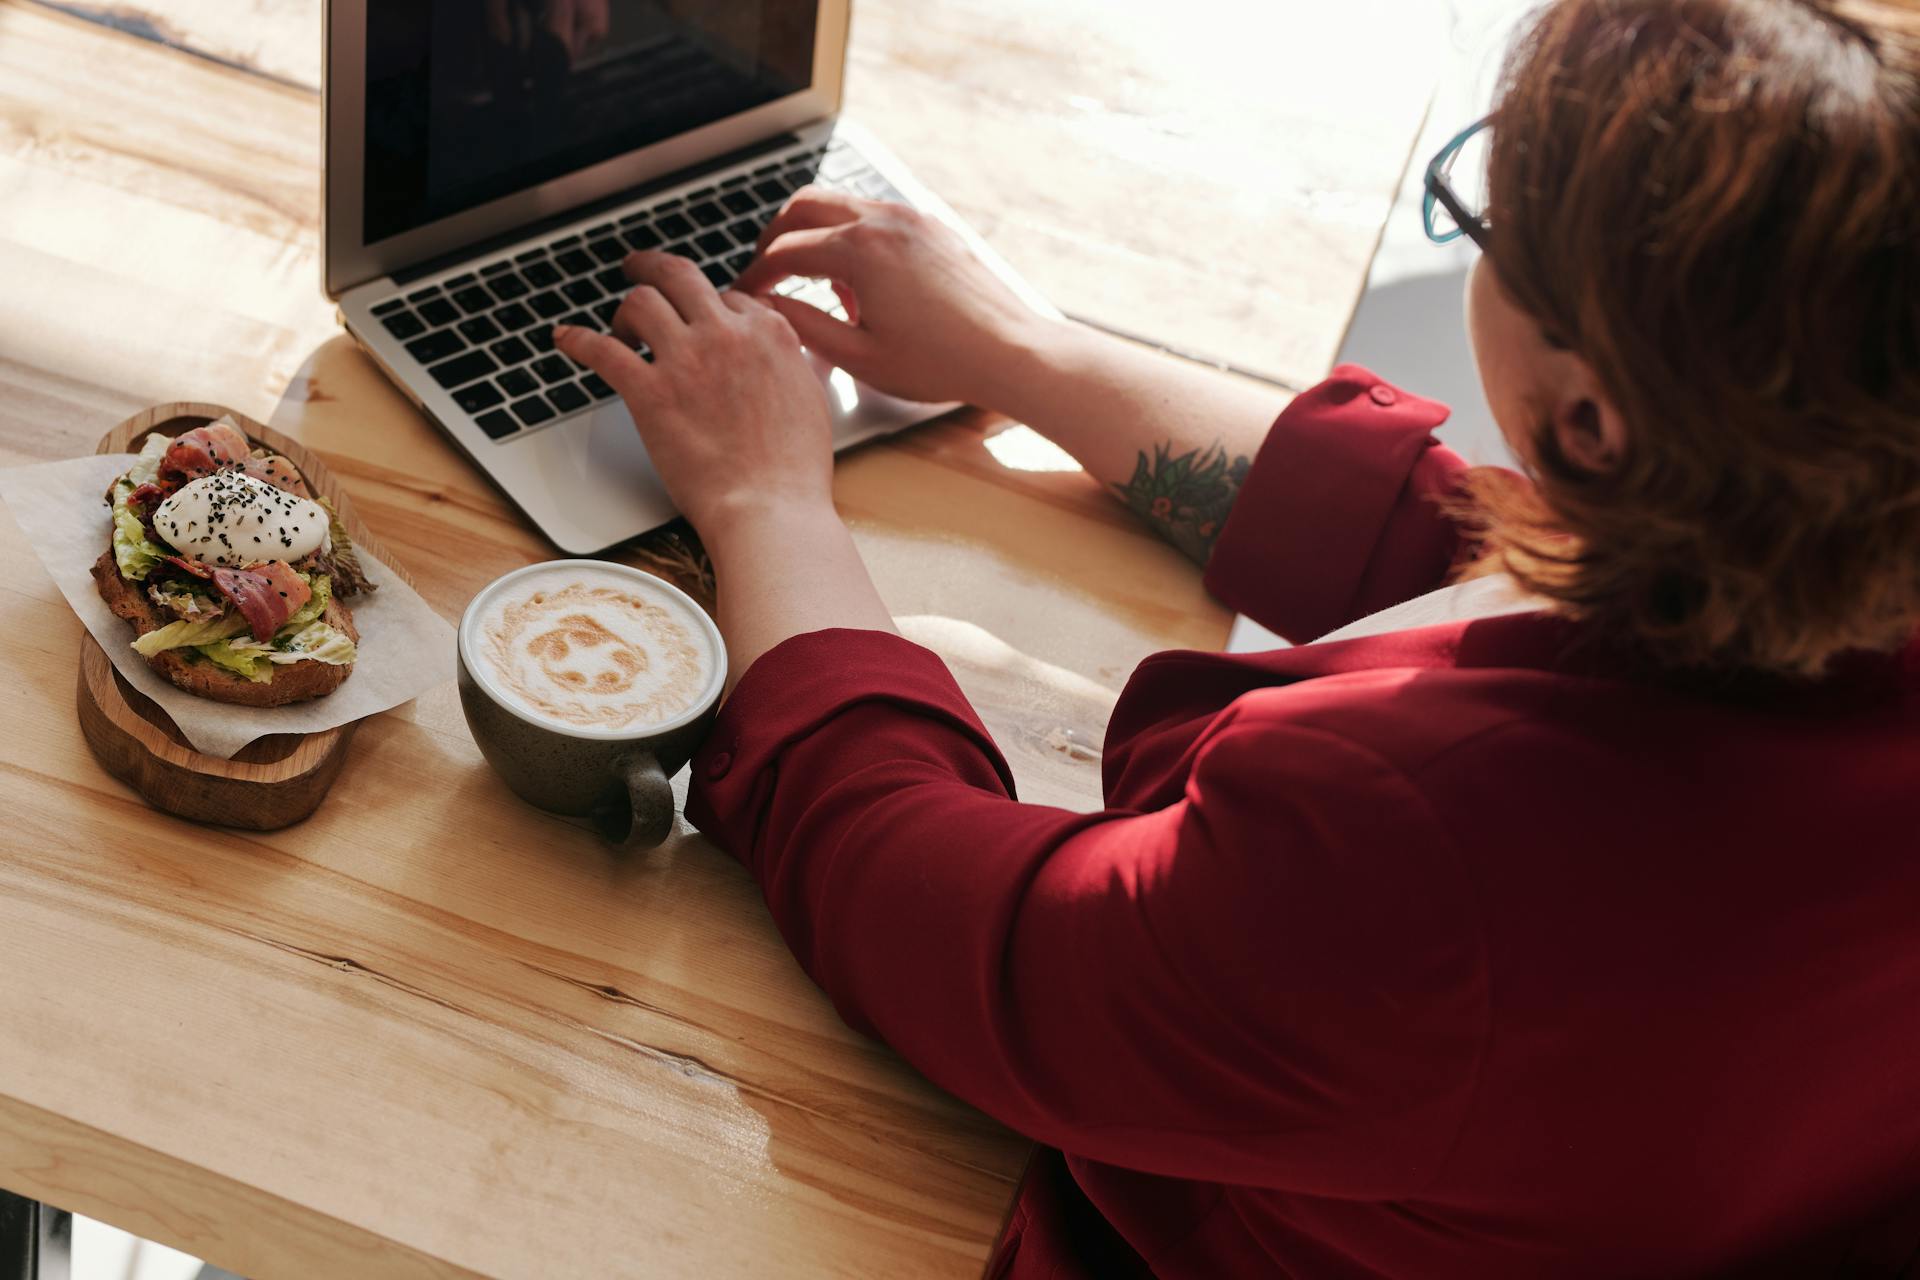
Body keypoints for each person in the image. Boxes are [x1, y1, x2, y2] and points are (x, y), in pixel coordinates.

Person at [553, 0, 1920, 1272]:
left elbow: (961, 938)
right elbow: (1488, 556)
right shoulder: (1841, 556)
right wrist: (1025, 354)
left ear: (1591, 425)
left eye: (1494, 213)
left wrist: (762, 497)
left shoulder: (1414, 849)